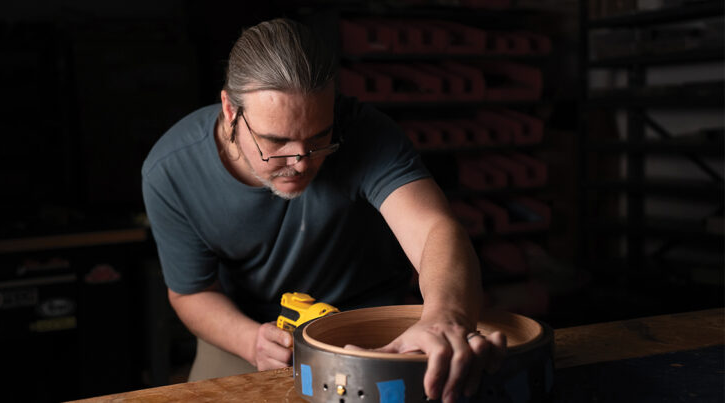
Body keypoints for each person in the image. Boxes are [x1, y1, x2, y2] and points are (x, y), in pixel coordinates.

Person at [142, 18, 506, 403]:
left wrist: (443, 319)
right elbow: (192, 293)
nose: (300, 161)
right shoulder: (171, 170)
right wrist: (251, 342)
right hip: (252, 329)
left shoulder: (367, 132)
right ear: (230, 110)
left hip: (371, 321)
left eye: (318, 138)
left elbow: (435, 230)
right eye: (276, 141)